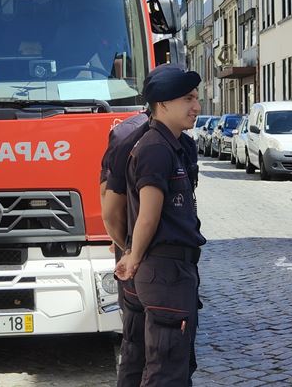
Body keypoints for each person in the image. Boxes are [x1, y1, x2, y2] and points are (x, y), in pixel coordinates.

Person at [99, 65, 199, 387]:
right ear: (163, 104)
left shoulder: (170, 143)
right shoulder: (156, 147)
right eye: (188, 98)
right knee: (166, 370)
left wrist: (131, 253)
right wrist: (133, 253)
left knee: (138, 356)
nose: (196, 106)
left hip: (154, 270)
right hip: (164, 271)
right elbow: (147, 213)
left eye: (196, 98)